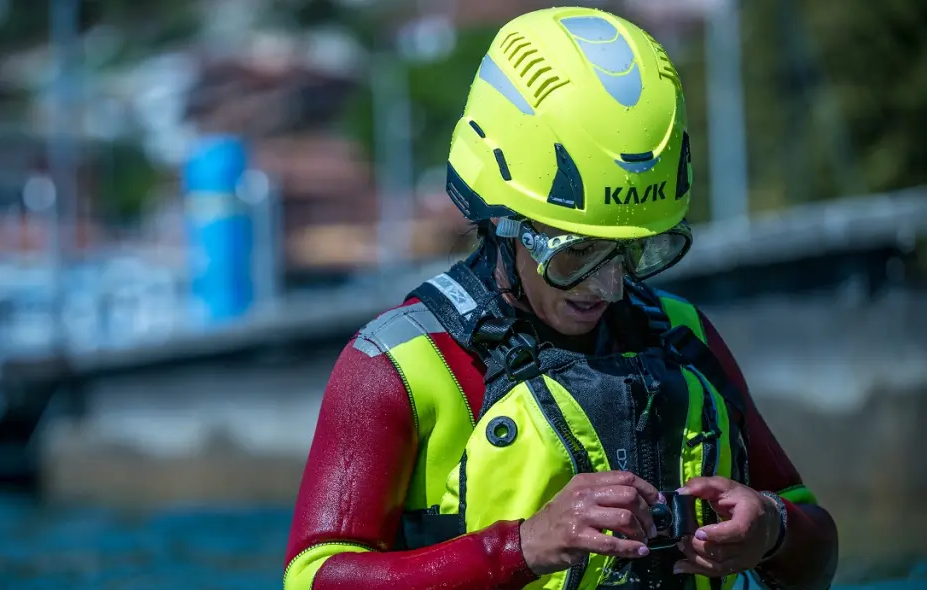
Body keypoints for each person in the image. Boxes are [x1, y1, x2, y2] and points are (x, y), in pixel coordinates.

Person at [284, 7, 838, 590]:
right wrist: (518, 547)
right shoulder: (398, 365)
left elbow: (816, 550)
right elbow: (314, 578)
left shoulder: (684, 337)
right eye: (576, 254)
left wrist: (774, 528)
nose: (611, 286)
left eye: (636, 251)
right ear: (504, 223)